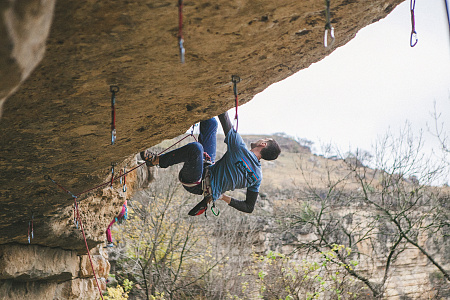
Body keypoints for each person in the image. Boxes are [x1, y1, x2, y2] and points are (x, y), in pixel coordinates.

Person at [139, 112, 281, 216]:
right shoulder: (257, 177)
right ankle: (210, 195)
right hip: (208, 168)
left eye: (264, 139)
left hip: (196, 183)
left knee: (196, 149)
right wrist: (222, 197)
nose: (260, 139)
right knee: (210, 123)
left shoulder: (240, 148)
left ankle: (157, 161)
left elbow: (223, 115)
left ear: (263, 144)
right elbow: (249, 207)